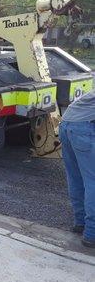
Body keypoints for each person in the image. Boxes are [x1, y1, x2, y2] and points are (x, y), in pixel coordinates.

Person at [59, 89, 95, 248]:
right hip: (83, 129)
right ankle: (92, 233)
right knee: (92, 180)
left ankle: (80, 222)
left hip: (66, 125)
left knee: (76, 177)